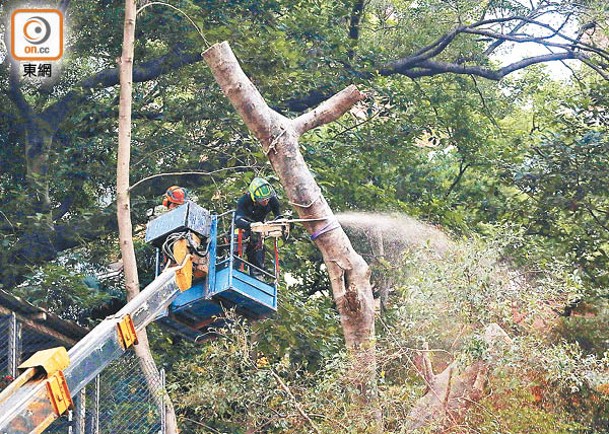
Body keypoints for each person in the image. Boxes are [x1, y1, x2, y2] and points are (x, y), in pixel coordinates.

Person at [234, 177, 282, 276]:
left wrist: (279, 224)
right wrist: (250, 225)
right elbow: (238, 219)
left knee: (258, 251)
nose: (266, 201)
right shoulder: (244, 201)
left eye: (267, 199)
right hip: (244, 228)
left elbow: (278, 215)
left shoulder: (272, 200)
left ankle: (257, 276)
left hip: (258, 230)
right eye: (262, 200)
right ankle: (235, 269)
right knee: (238, 242)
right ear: (254, 198)